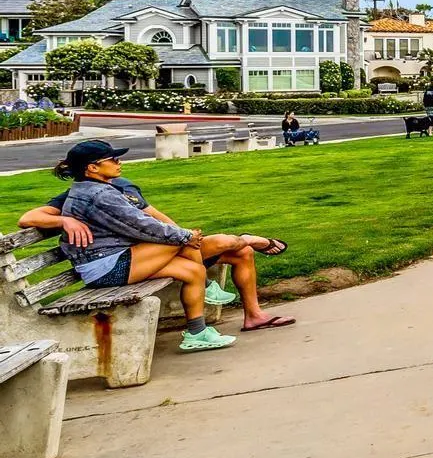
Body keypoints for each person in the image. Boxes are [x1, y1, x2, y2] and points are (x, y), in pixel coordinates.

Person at [19, 141, 297, 349]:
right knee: (183, 242)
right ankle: (238, 250)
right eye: (112, 159)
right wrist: (184, 236)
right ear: (92, 168)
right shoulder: (97, 195)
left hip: (120, 258)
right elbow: (142, 226)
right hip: (108, 265)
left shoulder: (108, 187)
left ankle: (197, 333)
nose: (119, 162)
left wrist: (182, 234)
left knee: (191, 269)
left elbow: (150, 218)